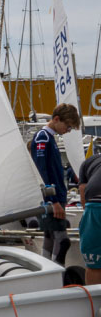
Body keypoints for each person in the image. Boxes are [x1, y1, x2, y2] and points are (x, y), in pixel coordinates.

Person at [32, 104, 81, 264]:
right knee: (62, 241)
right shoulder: (43, 137)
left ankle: (47, 273)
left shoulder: (49, 138)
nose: (68, 130)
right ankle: (56, 275)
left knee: (50, 238)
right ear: (57, 119)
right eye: (68, 126)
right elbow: (41, 171)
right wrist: (53, 201)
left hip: (55, 199)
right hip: (51, 200)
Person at [79, 152, 101, 285]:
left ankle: (95, 303)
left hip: (95, 205)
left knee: (94, 263)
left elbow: (83, 190)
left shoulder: (89, 162)